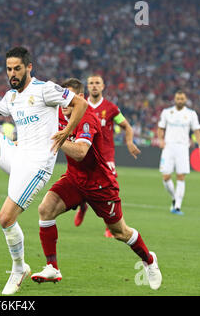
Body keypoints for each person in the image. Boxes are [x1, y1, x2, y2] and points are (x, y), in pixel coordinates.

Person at [0, 46, 88, 295]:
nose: (12, 73)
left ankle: (19, 268)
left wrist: (68, 130)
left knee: (5, 218)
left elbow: (79, 103)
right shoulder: (11, 96)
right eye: (9, 69)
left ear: (28, 68)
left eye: (17, 68)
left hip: (37, 165)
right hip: (18, 155)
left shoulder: (45, 89)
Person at [30, 78, 162, 290]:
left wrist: (57, 139)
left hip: (100, 185)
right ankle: (52, 267)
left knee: (120, 232)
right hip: (74, 179)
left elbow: (81, 152)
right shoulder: (59, 115)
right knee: (45, 210)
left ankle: (149, 260)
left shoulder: (87, 119)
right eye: (63, 100)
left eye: (70, 101)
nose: (65, 106)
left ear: (80, 99)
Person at [74, 75, 141, 238]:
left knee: (109, 190)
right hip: (86, 155)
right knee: (82, 185)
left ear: (103, 86)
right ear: (87, 87)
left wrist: (130, 142)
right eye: (91, 83)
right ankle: (83, 206)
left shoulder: (111, 108)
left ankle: (110, 225)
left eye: (97, 83)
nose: (94, 86)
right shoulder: (80, 105)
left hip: (106, 156)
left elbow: (126, 126)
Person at [157, 90, 200, 215]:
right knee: (166, 176)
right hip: (168, 147)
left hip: (183, 148)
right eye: (178, 98)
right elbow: (161, 128)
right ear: (174, 99)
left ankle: (177, 206)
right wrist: (160, 140)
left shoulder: (191, 114)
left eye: (182, 98)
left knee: (181, 176)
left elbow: (197, 131)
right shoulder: (167, 112)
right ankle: (174, 197)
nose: (180, 100)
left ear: (185, 100)